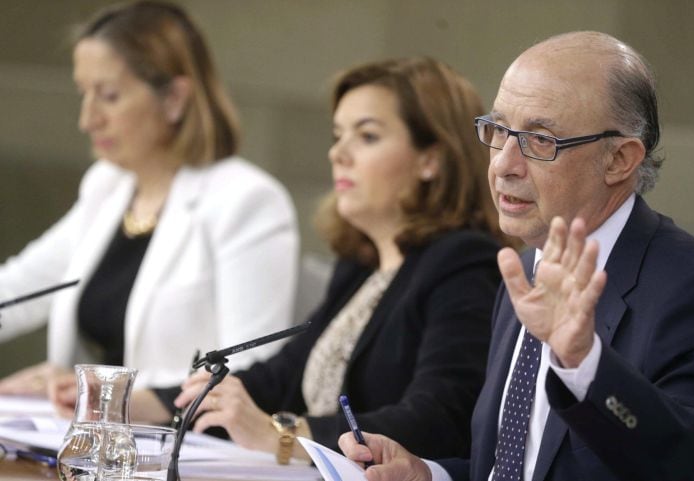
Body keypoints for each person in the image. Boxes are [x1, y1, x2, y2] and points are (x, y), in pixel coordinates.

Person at [339, 31, 694, 481]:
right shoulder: (525, 270)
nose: (503, 163)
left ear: (619, 159)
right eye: (499, 130)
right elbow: (519, 468)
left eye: (540, 140)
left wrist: (585, 364)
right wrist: (429, 474)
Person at [128, 56, 510, 463]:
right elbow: (277, 377)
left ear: (431, 159)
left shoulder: (464, 262)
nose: (337, 153)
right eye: (337, 135)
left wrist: (285, 436)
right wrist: (138, 401)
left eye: (366, 136)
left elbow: (440, 416)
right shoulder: (360, 266)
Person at [0, 1, 298, 393]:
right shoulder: (107, 186)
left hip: (180, 447)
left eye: (107, 95)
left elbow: (253, 367)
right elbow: (19, 289)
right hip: (88, 439)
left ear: (174, 98)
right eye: (83, 94)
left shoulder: (247, 201)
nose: (87, 119)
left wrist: (95, 391)